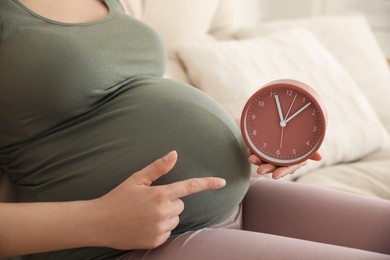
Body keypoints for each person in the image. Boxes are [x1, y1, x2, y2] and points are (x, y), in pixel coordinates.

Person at [0, 0, 389, 259]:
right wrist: (99, 220)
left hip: (236, 199)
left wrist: (253, 142)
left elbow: (124, 102)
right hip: (130, 244)